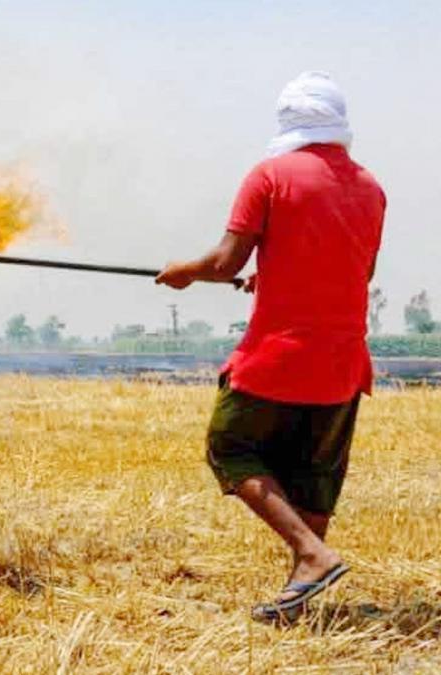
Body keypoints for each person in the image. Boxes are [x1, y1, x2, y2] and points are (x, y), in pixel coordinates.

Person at [156, 71, 386, 623]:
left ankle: (311, 553)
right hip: (342, 363)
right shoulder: (372, 188)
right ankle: (297, 598)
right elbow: (356, 272)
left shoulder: (270, 176)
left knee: (228, 445)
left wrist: (185, 271)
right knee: (313, 475)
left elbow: (225, 263)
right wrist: (276, 272)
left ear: (288, 121)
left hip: (280, 358)